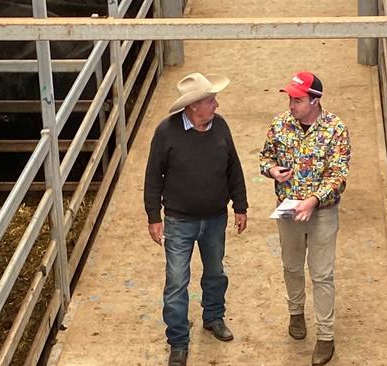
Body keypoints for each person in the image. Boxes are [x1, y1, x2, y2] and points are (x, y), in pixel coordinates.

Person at [144, 72, 248, 366]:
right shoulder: (166, 132)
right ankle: (178, 340)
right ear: (193, 107)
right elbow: (153, 176)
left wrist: (240, 206)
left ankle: (213, 316)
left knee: (215, 272)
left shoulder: (221, 127)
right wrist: (154, 216)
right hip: (179, 220)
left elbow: (234, 168)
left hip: (216, 217)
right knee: (177, 282)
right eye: (210, 100)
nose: (216, 104)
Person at [259, 71, 351, 366]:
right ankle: (296, 313)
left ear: (315, 100)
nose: (291, 104)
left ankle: (325, 336)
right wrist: (272, 170)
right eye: (290, 98)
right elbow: (265, 157)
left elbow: (339, 175)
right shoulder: (280, 125)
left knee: (322, 274)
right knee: (291, 266)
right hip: (287, 208)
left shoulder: (335, 129)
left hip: (322, 211)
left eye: (297, 99)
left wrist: (314, 200)